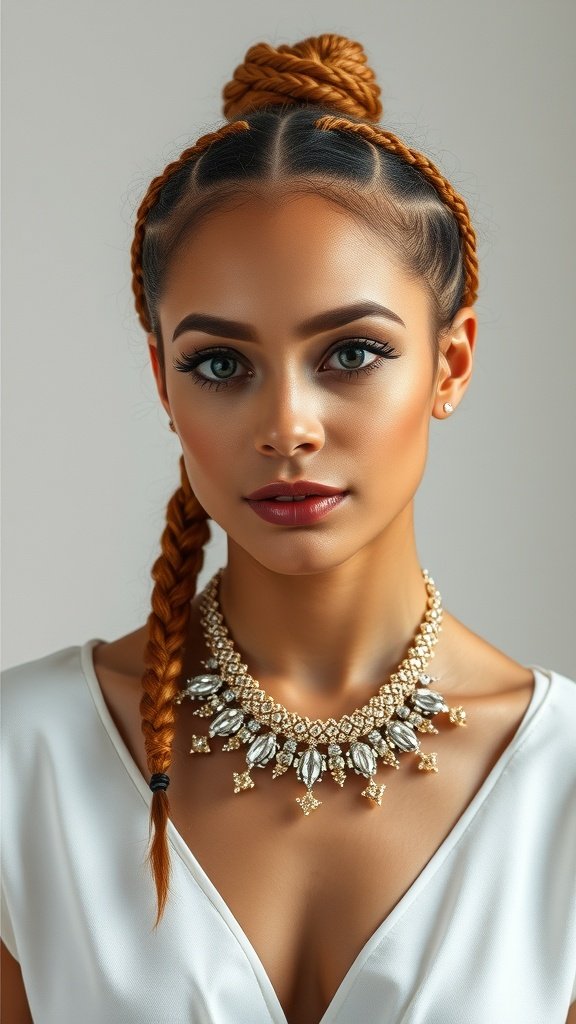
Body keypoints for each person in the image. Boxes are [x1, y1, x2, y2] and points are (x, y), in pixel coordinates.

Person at [1, 31, 575, 1024]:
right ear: (164, 384)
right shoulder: (23, 761)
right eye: (221, 364)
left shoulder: (560, 781)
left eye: (350, 353)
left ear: (451, 363)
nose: (286, 427)